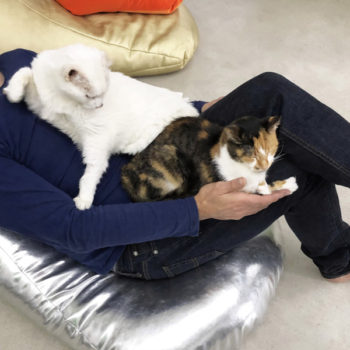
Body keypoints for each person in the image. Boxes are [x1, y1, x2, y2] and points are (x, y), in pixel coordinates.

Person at [1, 49, 350, 283]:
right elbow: (73, 230)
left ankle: (337, 252)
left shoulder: (18, 61)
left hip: (162, 151)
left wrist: (196, 108)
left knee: (271, 94)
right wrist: (198, 209)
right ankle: (339, 257)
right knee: (294, 165)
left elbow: (116, 99)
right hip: (142, 237)